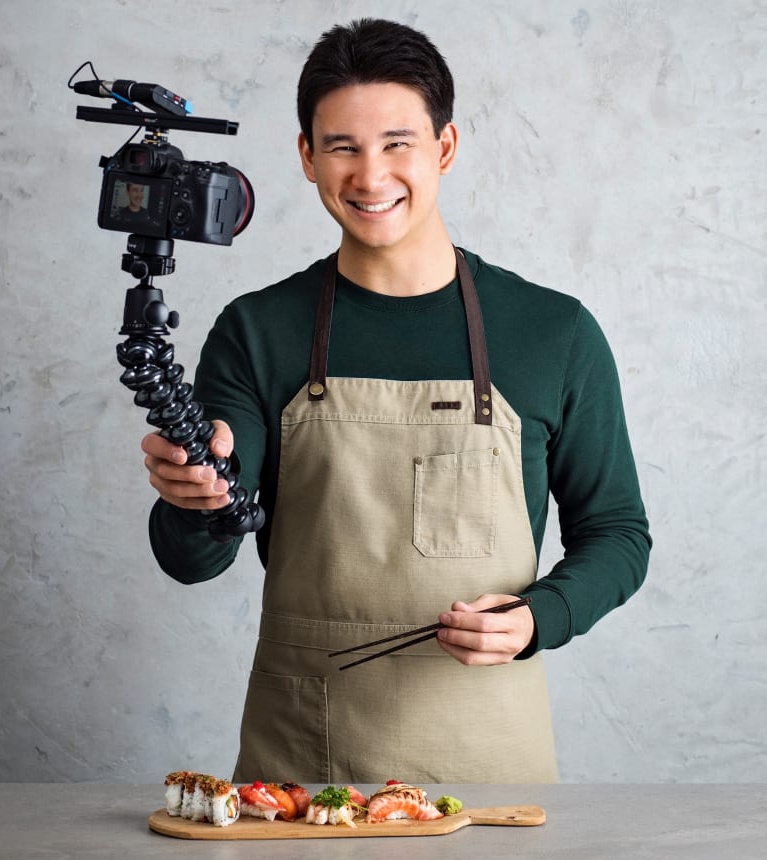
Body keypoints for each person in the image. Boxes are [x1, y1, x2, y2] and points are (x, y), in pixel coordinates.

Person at [142, 18, 651, 784]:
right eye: (342, 147)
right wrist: (196, 497)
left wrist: (540, 617)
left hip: (487, 757)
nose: (371, 177)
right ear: (308, 158)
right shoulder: (259, 331)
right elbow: (192, 561)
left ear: (444, 147)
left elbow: (618, 532)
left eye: (397, 143)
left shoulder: (553, 332)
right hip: (299, 764)